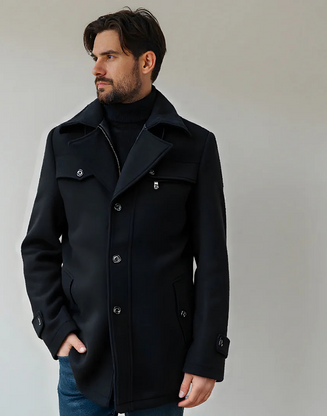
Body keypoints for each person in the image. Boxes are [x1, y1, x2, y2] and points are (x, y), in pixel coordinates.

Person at [21, 7, 230, 416]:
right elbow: (39, 245)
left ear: (146, 61)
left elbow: (211, 262)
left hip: (163, 363)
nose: (96, 68)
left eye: (110, 56)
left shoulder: (194, 146)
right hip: (85, 362)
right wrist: (55, 327)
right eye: (95, 57)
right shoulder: (65, 142)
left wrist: (207, 355)